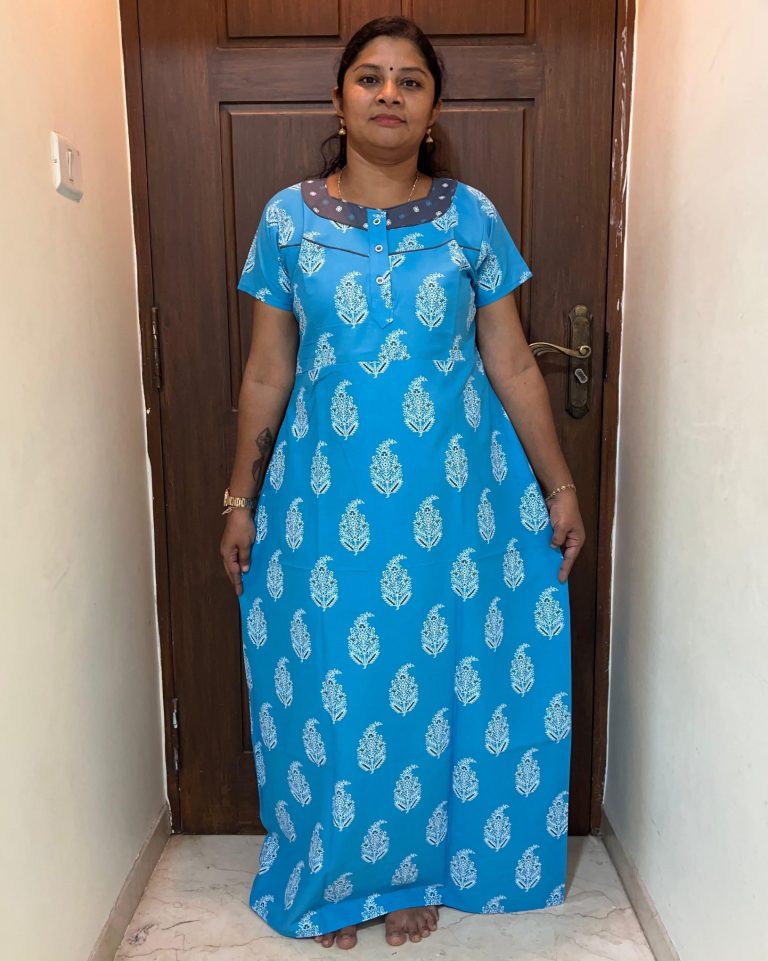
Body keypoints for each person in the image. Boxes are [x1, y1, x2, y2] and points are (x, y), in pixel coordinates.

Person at [220, 14, 585, 951]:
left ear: (433, 109)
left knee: (436, 681)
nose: (389, 93)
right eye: (371, 77)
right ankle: (337, 870)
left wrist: (560, 487)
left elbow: (510, 360)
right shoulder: (287, 219)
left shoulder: (471, 217)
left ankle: (415, 870)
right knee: (336, 684)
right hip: (324, 505)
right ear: (338, 101)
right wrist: (239, 499)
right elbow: (266, 372)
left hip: (457, 505)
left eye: (411, 80)